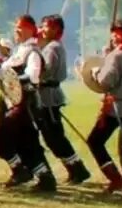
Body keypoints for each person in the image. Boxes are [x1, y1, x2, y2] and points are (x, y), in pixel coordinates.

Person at [0, 15, 55, 193]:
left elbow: (32, 76)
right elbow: (2, 72)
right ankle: (45, 178)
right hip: (11, 102)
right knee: (26, 142)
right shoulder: (19, 51)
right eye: (16, 27)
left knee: (0, 136)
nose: (16, 31)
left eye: (20, 28)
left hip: (24, 104)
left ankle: (20, 170)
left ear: (31, 30)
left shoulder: (32, 52)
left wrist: (14, 80)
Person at [87, 19, 122, 199]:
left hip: (116, 107)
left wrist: (97, 71)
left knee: (96, 141)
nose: (112, 36)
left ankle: (119, 180)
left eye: (115, 33)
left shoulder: (116, 56)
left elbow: (105, 82)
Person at [34, 14, 91, 184]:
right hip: (46, 95)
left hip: (48, 97)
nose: (43, 29)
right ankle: (74, 169)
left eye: (47, 26)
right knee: (52, 136)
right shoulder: (51, 46)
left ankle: (78, 169)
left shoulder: (52, 48)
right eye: (42, 26)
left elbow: (47, 70)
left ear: (56, 29)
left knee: (55, 136)